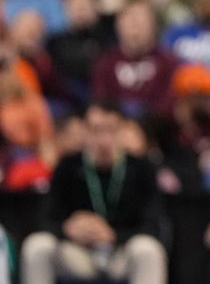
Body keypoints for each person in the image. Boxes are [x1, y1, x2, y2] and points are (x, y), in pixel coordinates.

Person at [20, 100, 167, 284]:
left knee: (148, 250)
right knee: (37, 246)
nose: (103, 139)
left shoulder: (141, 168)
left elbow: (153, 226)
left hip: (120, 251)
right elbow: (43, 219)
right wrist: (68, 229)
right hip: (77, 252)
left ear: (122, 131)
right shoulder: (68, 166)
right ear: (85, 131)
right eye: (96, 129)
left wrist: (112, 234)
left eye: (110, 129)